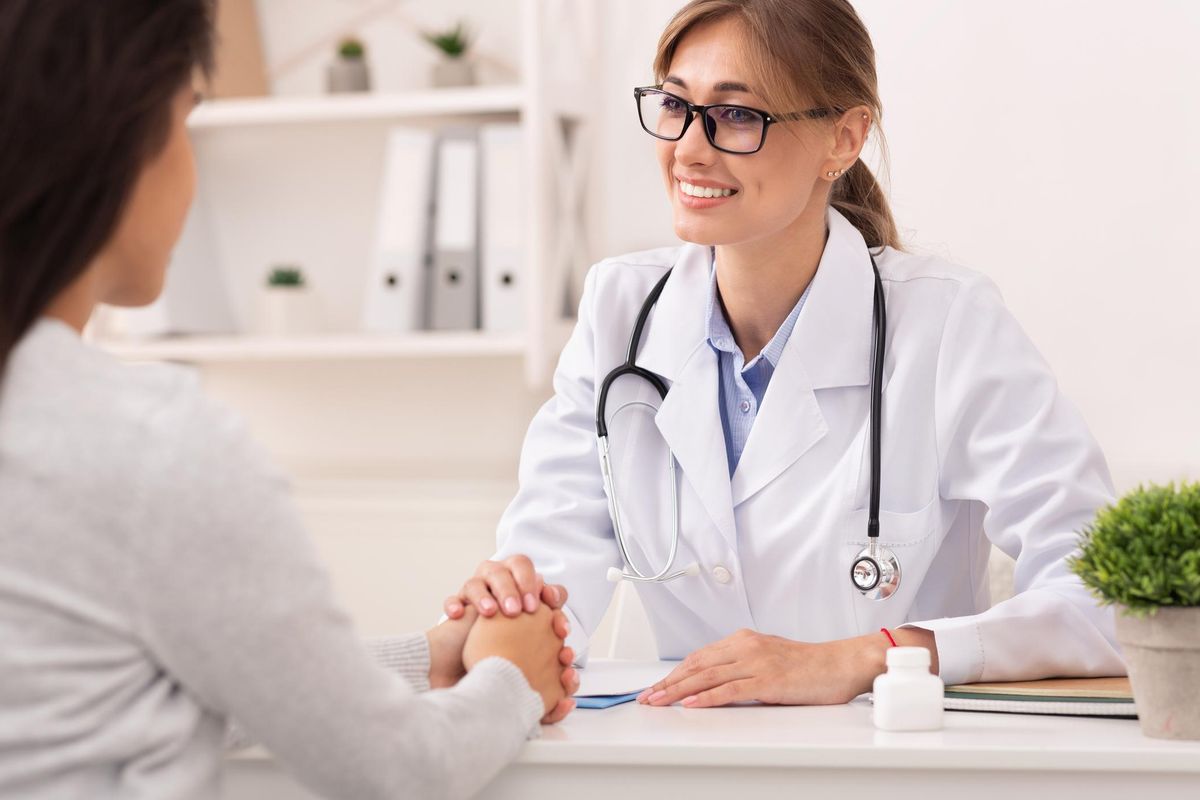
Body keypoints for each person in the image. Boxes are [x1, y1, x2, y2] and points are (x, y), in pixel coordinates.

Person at [445, 0, 1125, 708]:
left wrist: (867, 658)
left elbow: (1109, 598)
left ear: (844, 138)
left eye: (738, 115)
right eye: (676, 105)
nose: (689, 148)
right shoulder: (619, 310)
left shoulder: (949, 324)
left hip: (895, 762)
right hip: (687, 751)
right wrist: (506, 606)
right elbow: (547, 576)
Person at [0, 2, 576, 798]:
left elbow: (141, 683)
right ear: (121, 139)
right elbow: (400, 769)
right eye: (185, 121)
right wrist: (512, 678)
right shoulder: (154, 445)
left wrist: (428, 657)